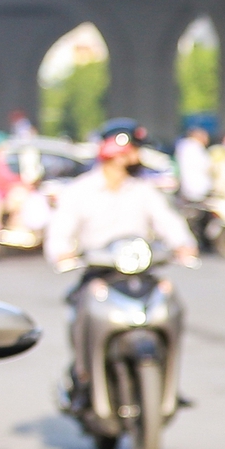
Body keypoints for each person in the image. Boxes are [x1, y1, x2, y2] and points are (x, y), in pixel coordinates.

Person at [44, 120, 197, 394]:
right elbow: (60, 232)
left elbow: (168, 222)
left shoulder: (143, 190)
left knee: (171, 303)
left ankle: (167, 380)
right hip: (99, 273)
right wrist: (62, 252)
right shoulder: (80, 191)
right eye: (135, 149)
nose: (138, 156)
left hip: (140, 273)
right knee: (82, 309)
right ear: (118, 152)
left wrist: (184, 244)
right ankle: (84, 375)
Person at [174, 126, 213, 204]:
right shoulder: (195, 147)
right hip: (197, 187)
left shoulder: (182, 146)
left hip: (186, 188)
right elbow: (206, 166)